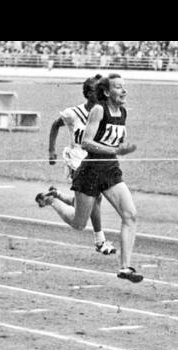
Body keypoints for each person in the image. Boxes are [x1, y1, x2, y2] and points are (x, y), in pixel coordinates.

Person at [36, 74, 142, 283]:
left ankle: (125, 268)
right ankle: (52, 200)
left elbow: (115, 139)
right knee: (79, 223)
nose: (124, 91)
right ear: (106, 92)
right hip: (90, 170)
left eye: (124, 87)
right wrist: (116, 149)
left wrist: (122, 148)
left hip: (110, 169)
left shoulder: (122, 112)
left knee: (130, 215)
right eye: (118, 87)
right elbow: (86, 142)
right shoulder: (98, 110)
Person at [37, 74, 116, 255]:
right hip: (77, 160)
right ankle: (100, 241)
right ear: (89, 94)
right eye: (99, 92)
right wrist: (51, 150)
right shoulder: (74, 113)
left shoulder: (102, 112)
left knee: (91, 201)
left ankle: (56, 195)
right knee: (93, 200)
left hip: (94, 159)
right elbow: (55, 125)